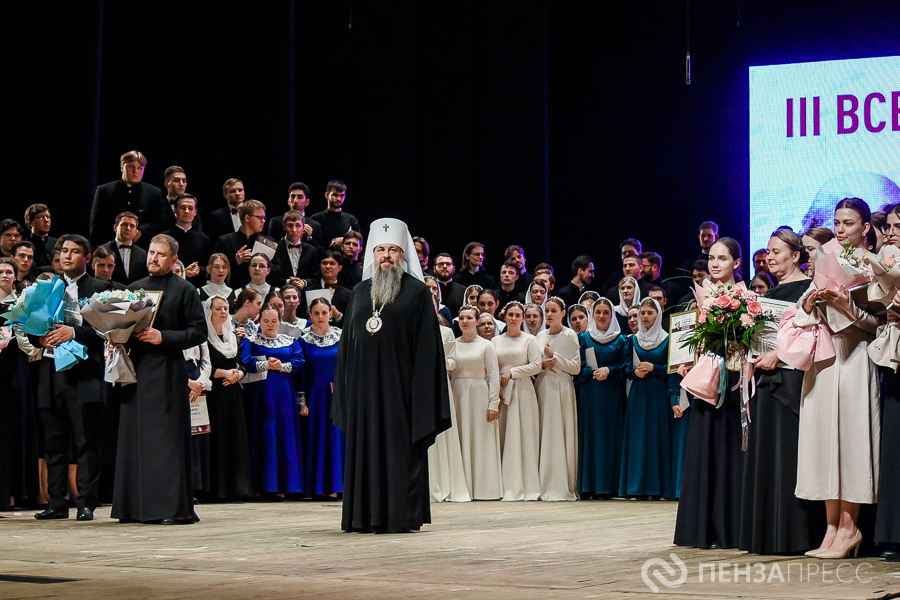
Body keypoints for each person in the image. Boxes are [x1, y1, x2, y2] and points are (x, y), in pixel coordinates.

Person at [331, 218, 451, 532]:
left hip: (401, 395)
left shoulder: (417, 294)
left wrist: (420, 399)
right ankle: (362, 516)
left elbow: (428, 352)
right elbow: (346, 348)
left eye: (393, 250)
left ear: (403, 255)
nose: (386, 256)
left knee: (400, 456)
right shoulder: (358, 292)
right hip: (363, 396)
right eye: (381, 249)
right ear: (372, 254)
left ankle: (402, 516)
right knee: (364, 454)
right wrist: (345, 391)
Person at [794, 198, 882, 559]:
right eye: (838, 222)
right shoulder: (826, 258)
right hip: (827, 359)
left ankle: (850, 528)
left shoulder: (876, 266)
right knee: (826, 442)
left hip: (857, 358)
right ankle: (830, 529)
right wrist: (813, 301)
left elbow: (879, 325)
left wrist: (848, 307)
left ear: (865, 228)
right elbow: (801, 308)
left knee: (851, 441)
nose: (841, 228)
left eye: (849, 223)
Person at [739, 229, 825, 555]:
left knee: (790, 455)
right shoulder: (767, 293)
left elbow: (813, 335)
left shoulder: (808, 289)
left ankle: (796, 535)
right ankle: (769, 534)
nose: (770, 258)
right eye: (769, 253)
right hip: (765, 379)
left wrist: (781, 354)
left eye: (777, 252)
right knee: (769, 453)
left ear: (796, 255)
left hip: (792, 381)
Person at [112, 234, 206, 524]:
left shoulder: (185, 290)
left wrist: (162, 336)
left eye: (160, 255)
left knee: (166, 443)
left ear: (173, 259)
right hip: (137, 372)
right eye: (151, 253)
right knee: (136, 440)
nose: (153, 258)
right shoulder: (133, 289)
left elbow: (199, 332)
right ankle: (133, 508)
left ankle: (170, 509)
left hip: (167, 371)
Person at [29, 236, 111, 521]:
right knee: (53, 442)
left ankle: (87, 502)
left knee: (87, 441)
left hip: (84, 374)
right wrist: (41, 339)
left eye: (74, 252)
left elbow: (107, 332)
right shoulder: (47, 287)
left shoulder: (100, 289)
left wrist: (74, 332)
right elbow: (31, 330)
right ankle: (57, 502)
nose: (67, 256)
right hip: (50, 373)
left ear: (86, 257)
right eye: (63, 251)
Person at [674, 237, 746, 549]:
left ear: (736, 263)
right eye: (712, 259)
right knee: (704, 451)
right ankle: (701, 529)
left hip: (731, 379)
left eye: (723, 259)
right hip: (706, 381)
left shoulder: (747, 298)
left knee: (726, 451)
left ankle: (727, 528)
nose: (715, 264)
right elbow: (697, 341)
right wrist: (687, 363)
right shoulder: (704, 296)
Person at [241, 303, 305, 499]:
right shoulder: (251, 340)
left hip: (284, 395)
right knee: (263, 434)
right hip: (260, 395)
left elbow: (299, 362)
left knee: (284, 434)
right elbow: (245, 361)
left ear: (280, 322)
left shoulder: (289, 340)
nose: (270, 324)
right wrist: (266, 364)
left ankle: (285, 485)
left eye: (274, 321)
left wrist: (281, 367)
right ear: (259, 321)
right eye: (266, 321)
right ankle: (262, 485)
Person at [619, 297, 674, 500]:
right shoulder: (632, 340)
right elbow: (625, 368)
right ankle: (637, 487)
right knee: (639, 439)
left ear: (658, 315)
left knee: (657, 438)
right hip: (639, 394)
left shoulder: (667, 340)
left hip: (659, 394)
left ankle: (656, 488)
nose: (645, 317)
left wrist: (655, 368)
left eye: (650, 313)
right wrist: (635, 373)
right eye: (643, 313)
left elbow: (673, 369)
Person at [202, 295, 252, 501]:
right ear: (209, 312)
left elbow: (241, 362)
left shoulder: (232, 335)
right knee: (218, 440)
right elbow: (203, 365)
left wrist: (239, 373)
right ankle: (217, 489)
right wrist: (223, 373)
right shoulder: (204, 337)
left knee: (234, 439)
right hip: (215, 395)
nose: (223, 312)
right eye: (218, 309)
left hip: (232, 395)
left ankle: (236, 488)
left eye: (225, 308)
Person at [577, 298, 627, 499]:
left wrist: (610, 369)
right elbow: (578, 367)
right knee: (591, 438)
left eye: (606, 312)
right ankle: (589, 486)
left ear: (611, 315)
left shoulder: (621, 340)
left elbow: (625, 367)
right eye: (598, 312)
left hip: (612, 396)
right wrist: (591, 373)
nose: (601, 316)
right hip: (591, 396)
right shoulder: (584, 338)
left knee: (610, 440)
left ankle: (610, 487)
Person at [452, 305, 503, 500]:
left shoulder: (486, 345)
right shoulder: (453, 344)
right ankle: (463, 486)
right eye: (462, 318)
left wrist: (493, 403)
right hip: (458, 393)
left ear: (477, 322)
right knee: (463, 437)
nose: (465, 321)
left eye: (469, 318)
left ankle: (484, 488)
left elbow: (493, 375)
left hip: (480, 395)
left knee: (481, 439)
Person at [492, 302, 541, 501]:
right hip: (503, 392)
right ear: (505, 317)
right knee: (505, 434)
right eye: (510, 314)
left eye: (517, 315)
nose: (513, 318)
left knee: (523, 435)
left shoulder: (530, 340)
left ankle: (526, 484)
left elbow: (537, 365)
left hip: (523, 392)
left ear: (522, 318)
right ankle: (504, 484)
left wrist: (512, 372)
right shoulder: (495, 341)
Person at [535, 297, 581, 501]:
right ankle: (542, 482)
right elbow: (534, 362)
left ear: (563, 313)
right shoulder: (539, 335)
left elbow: (576, 368)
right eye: (547, 310)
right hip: (544, 384)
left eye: (554, 310)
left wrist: (556, 357)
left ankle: (562, 484)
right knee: (545, 430)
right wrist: (542, 365)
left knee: (561, 431)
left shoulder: (569, 334)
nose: (549, 314)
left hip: (562, 385)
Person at [298, 298, 344, 497]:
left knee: (336, 436)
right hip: (315, 395)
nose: (320, 317)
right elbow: (301, 373)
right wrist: (302, 399)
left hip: (337, 392)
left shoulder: (342, 336)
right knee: (317, 436)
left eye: (324, 313)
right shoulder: (303, 339)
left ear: (330, 313)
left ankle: (338, 486)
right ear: (310, 315)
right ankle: (319, 486)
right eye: (316, 313)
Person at [427, 293, 470, 502]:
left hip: (438, 384)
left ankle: (442, 482)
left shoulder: (445, 332)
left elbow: (452, 363)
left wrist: (431, 364)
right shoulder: (409, 328)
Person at [89, 151, 166, 250]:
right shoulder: (105, 190)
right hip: (109, 249)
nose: (135, 171)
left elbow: (159, 222)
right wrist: (94, 250)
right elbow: (96, 224)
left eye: (140, 168)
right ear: (122, 166)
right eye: (131, 167)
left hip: (141, 249)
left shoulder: (153, 193)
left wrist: (140, 231)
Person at [214, 199, 269, 289]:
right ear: (247, 218)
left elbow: (277, 271)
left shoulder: (267, 242)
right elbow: (215, 270)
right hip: (234, 290)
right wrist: (236, 261)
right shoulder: (225, 241)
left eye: (264, 218)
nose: (263, 221)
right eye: (259, 218)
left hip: (262, 291)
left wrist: (263, 264)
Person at [161, 194, 212, 287]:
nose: (187, 211)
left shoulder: (203, 239)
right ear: (175, 210)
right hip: (169, 286)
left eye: (190, 208)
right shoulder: (164, 238)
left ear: (195, 212)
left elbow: (209, 266)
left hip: (197, 288)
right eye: (183, 208)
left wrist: (199, 270)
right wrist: (183, 272)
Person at [272, 210, 320, 289]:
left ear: (303, 227)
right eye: (290, 225)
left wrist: (304, 282)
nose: (294, 230)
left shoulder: (312, 250)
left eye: (298, 225)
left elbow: (316, 278)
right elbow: (270, 277)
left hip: (304, 295)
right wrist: (288, 282)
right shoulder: (275, 248)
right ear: (284, 227)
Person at [308, 180, 361, 249]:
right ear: (327, 195)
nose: (338, 199)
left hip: (345, 258)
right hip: (322, 258)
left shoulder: (351, 220)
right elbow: (312, 244)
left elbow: (358, 241)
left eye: (341, 195)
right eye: (335, 195)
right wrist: (331, 243)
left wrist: (344, 239)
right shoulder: (316, 219)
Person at [302, 250, 351, 324]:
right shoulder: (309, 290)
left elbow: (350, 321)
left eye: (332, 263)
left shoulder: (348, 294)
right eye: (324, 263)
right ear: (320, 266)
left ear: (340, 268)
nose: (328, 267)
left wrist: (338, 316)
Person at [103, 212, 149, 285]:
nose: (128, 228)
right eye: (124, 224)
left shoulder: (142, 253)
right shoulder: (102, 250)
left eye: (132, 226)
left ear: (136, 232)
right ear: (115, 227)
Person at [161, 167, 202, 232]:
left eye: (184, 181)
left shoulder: (192, 205)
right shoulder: (159, 206)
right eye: (176, 180)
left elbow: (198, 230)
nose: (181, 184)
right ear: (166, 184)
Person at [206, 178, 245, 247]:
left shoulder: (253, 212)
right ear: (225, 195)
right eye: (233, 191)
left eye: (240, 190)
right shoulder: (217, 215)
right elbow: (213, 241)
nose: (237, 193)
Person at [24, 204, 56, 269]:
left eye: (48, 217)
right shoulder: (25, 245)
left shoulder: (57, 243)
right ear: (30, 222)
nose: (46, 220)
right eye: (41, 217)